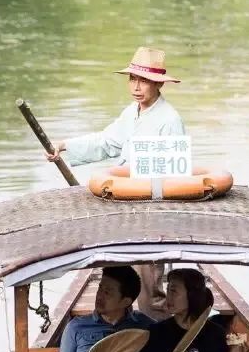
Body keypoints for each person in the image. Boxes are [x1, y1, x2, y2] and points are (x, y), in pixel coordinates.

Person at [45, 46, 185, 320]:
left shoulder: (169, 120)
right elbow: (107, 142)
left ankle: (157, 347)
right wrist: (64, 146)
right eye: (132, 79)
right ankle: (121, 336)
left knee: (148, 290)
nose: (136, 86)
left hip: (151, 213)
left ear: (157, 83)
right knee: (118, 277)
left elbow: (171, 177)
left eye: (143, 81)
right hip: (123, 207)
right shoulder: (132, 112)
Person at [141, 269, 247, 352]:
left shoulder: (215, 333)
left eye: (174, 291)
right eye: (168, 290)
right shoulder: (157, 331)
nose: (168, 297)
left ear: (192, 295)